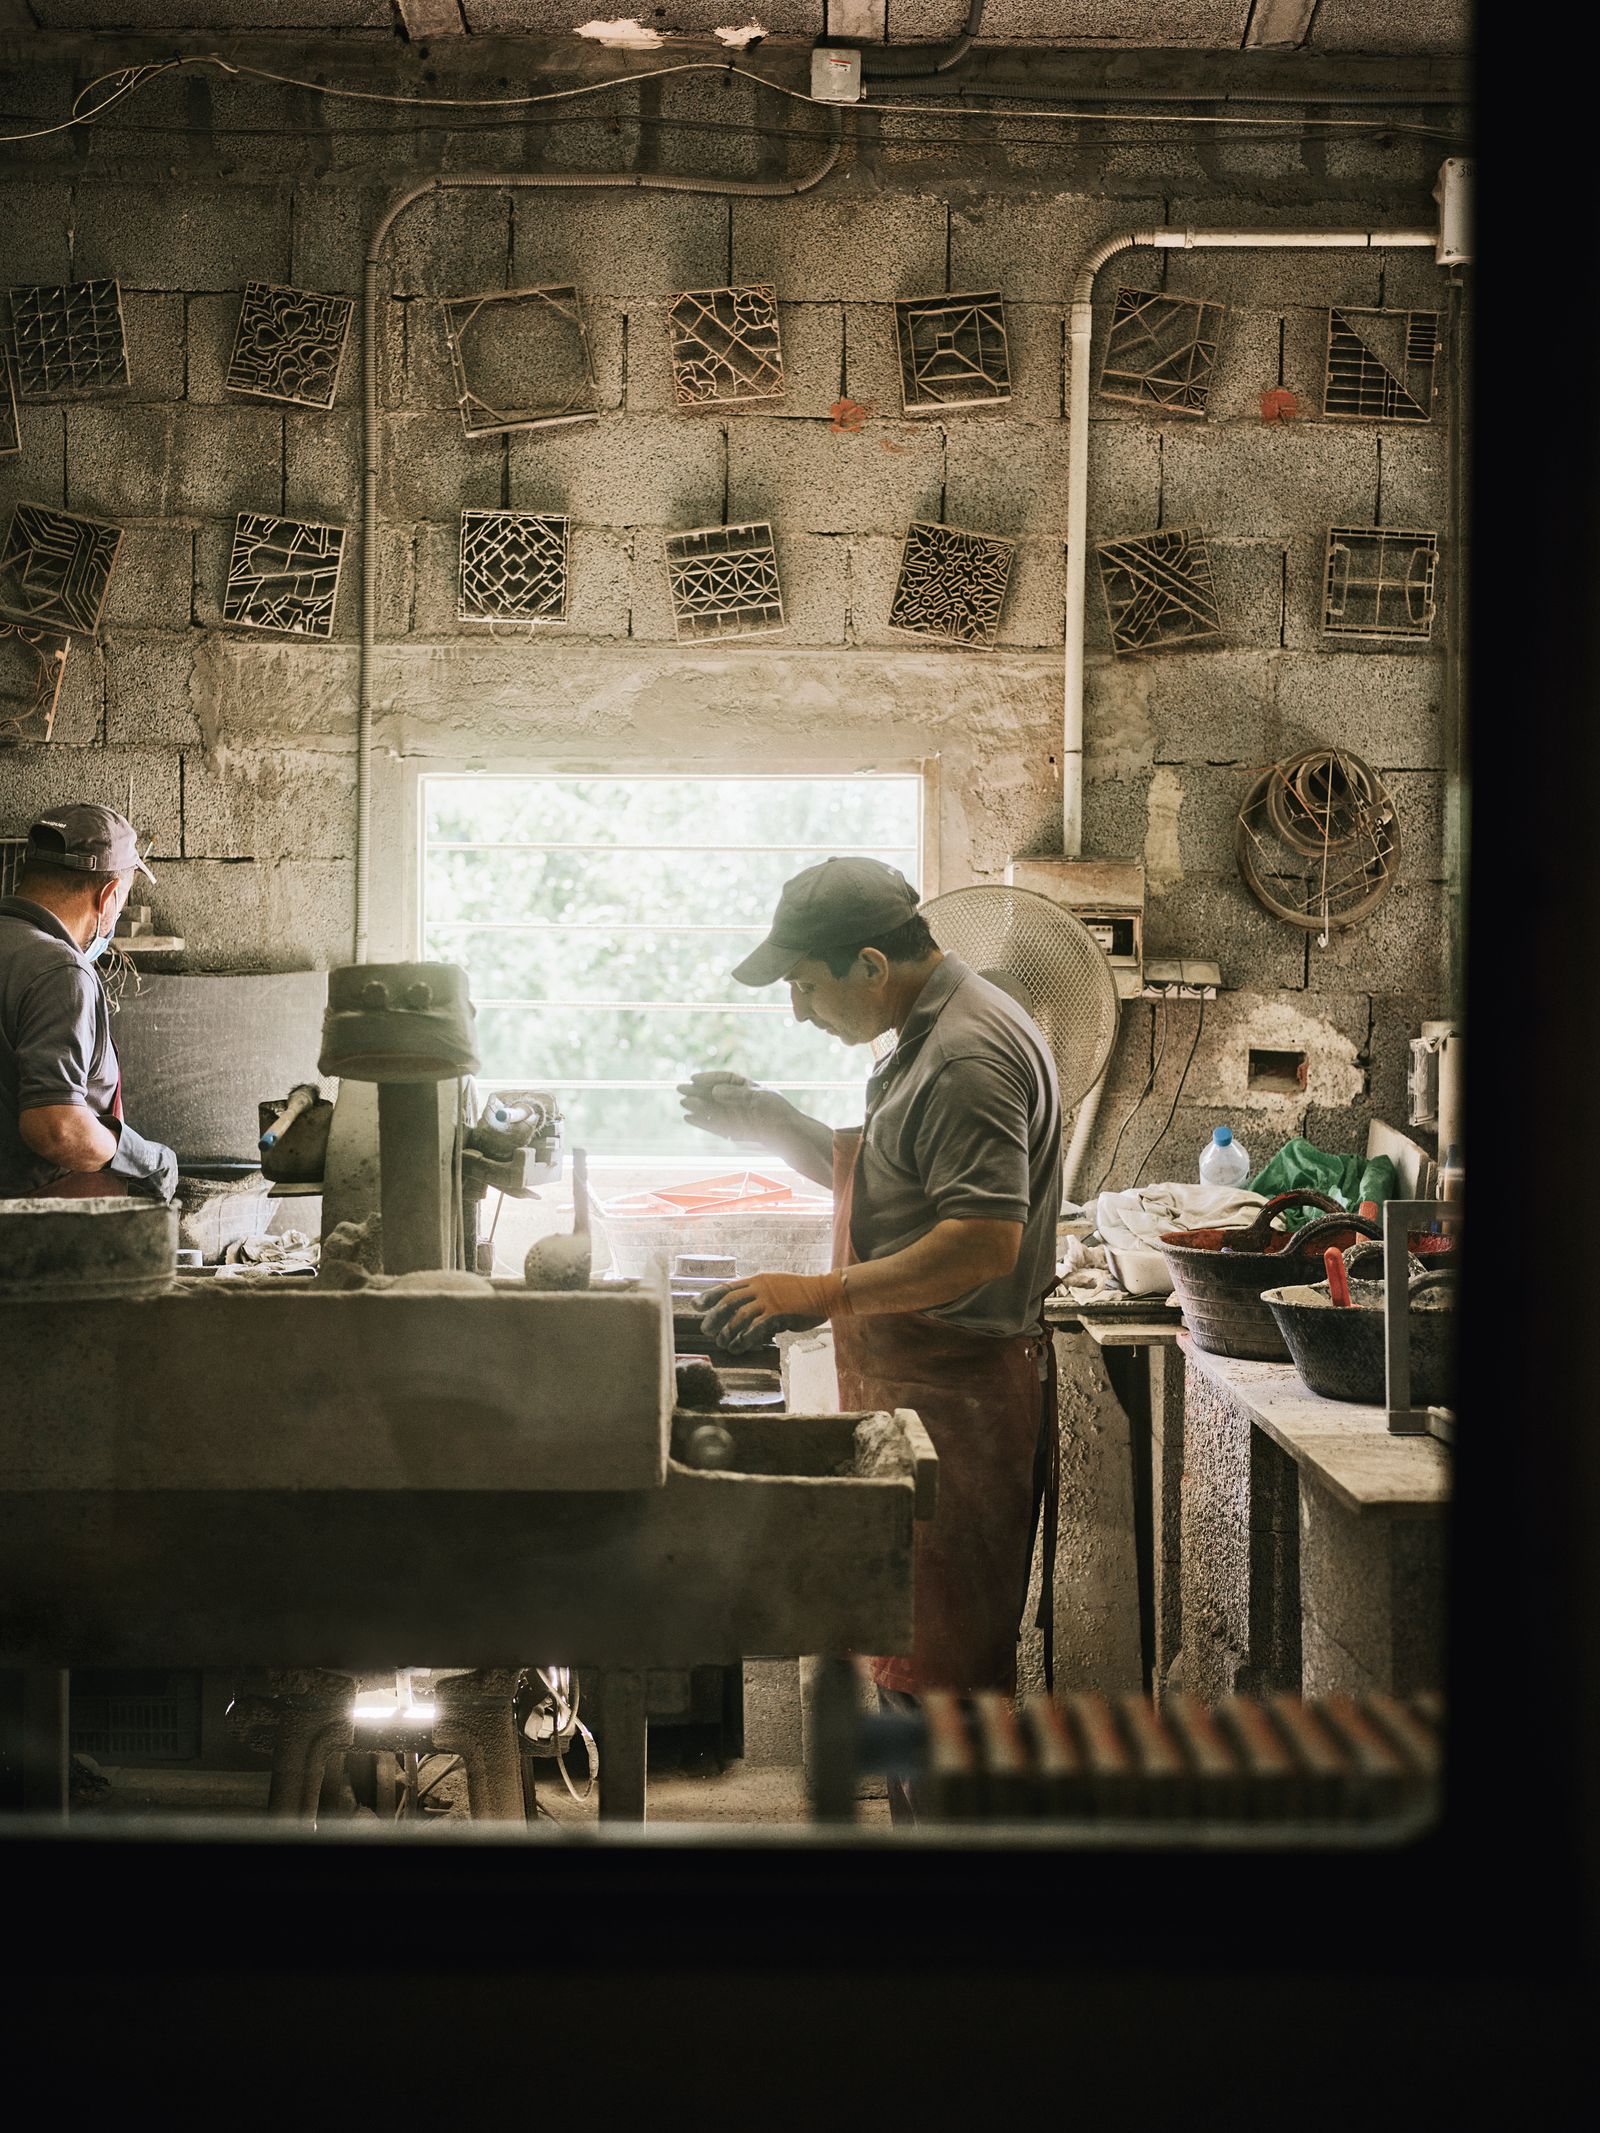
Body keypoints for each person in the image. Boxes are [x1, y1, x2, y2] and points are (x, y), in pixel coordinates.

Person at [679, 857, 1062, 1822]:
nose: (801, 1012)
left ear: (867, 962)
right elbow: (893, 1183)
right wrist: (769, 1121)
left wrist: (816, 1290)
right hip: (917, 1378)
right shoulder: (924, 1030)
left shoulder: (968, 1054)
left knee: (943, 1682)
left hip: (958, 1392)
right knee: (908, 1658)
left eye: (805, 986)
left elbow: (979, 1241)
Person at [0, 804, 176, 1202]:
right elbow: (56, 1127)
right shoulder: (60, 971)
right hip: (33, 1236)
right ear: (109, 896)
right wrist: (143, 1157)